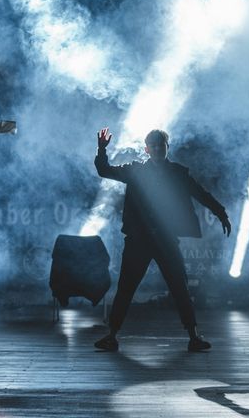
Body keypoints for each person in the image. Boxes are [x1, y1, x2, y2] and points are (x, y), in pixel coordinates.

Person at [92, 127, 231, 352]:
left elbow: (200, 193)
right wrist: (101, 149)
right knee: (126, 288)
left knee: (179, 287)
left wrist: (221, 213)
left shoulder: (178, 173)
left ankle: (194, 336)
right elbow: (104, 170)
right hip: (138, 240)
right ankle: (112, 335)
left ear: (167, 148)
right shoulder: (135, 171)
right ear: (147, 149)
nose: (157, 149)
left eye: (161, 145)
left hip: (166, 239)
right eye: (153, 146)